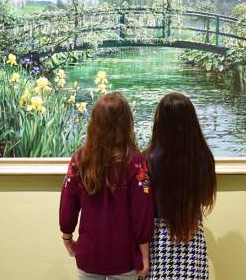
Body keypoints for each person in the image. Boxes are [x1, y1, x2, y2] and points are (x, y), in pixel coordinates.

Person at [59, 92, 154, 280]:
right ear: (127, 122)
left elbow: (67, 206)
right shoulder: (136, 162)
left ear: (94, 122)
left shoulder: (79, 159)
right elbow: (142, 213)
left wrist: (67, 239)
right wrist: (145, 255)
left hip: (89, 255)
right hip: (124, 257)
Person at [143, 93, 216, 280]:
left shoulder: (148, 159)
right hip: (192, 235)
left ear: (160, 121)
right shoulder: (203, 157)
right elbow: (206, 197)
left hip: (157, 241)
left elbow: (142, 205)